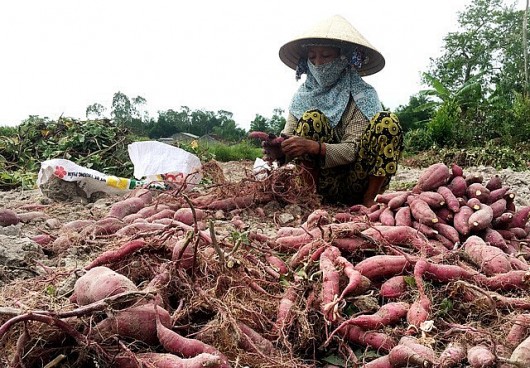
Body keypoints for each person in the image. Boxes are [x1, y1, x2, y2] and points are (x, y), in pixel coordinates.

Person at [263, 15, 404, 207]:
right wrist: (279, 150)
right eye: (312, 57)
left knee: (387, 122)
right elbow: (290, 140)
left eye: (326, 56)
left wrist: (315, 147)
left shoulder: (362, 95)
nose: (318, 63)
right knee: (312, 118)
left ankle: (370, 199)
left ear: (343, 58)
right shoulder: (302, 97)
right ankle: (309, 198)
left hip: (358, 180)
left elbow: (353, 150)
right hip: (322, 183)